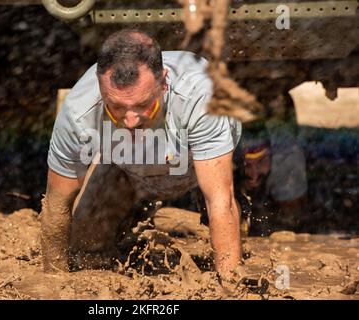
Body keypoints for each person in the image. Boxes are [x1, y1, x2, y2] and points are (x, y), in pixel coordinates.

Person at [41, 29, 242, 280]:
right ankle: (158, 220)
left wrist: (232, 286)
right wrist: (52, 280)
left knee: (222, 211)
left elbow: (220, 200)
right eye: (116, 107)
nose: (130, 120)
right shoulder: (78, 112)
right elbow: (56, 203)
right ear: (100, 85)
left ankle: (191, 221)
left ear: (164, 81)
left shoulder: (201, 97)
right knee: (86, 247)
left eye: (142, 104)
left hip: (196, 158)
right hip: (128, 167)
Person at [234, 120, 308, 235]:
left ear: (271, 156)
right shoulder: (223, 158)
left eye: (260, 162)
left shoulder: (287, 163)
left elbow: (293, 223)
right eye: (246, 164)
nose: (253, 175)